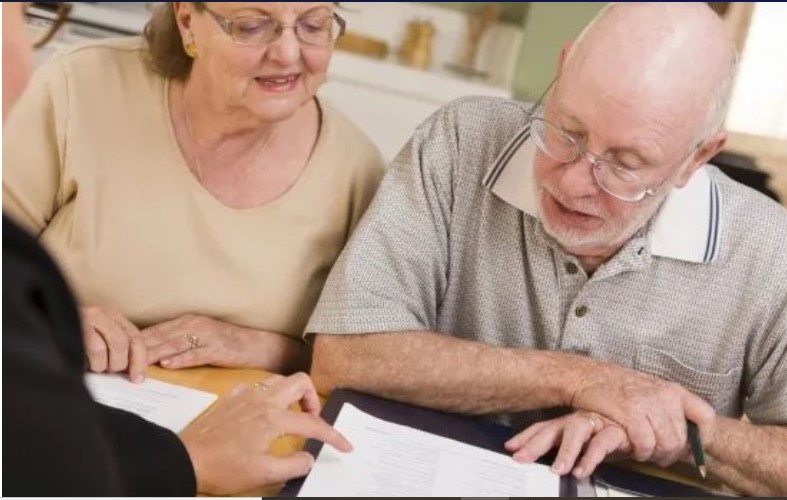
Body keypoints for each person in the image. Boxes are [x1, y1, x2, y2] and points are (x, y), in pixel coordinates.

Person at [306, 2, 787, 496]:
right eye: (568, 132)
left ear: (698, 157)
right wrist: (581, 380)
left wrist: (672, 430)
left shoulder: (771, 250)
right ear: (561, 71)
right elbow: (345, 354)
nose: (575, 182)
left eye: (625, 164)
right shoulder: (459, 142)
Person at [3, 2, 352, 496]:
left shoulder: (358, 170)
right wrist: (50, 316)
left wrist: (263, 345)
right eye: (252, 26)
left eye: (314, 25)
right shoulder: (78, 88)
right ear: (188, 21)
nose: (290, 52)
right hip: (69, 450)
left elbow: (344, 356)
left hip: (242, 472)